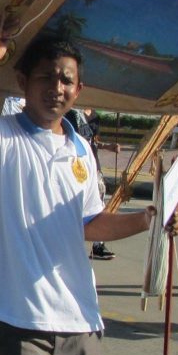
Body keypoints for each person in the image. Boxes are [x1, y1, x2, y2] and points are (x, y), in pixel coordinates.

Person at [0, 20, 178, 355]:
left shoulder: (82, 150)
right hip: (17, 321)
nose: (57, 89)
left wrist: (148, 220)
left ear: (79, 89)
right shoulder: (0, 137)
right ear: (23, 82)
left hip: (79, 320)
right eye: (46, 78)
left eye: (66, 81)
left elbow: (89, 224)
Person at [64, 107, 122, 261]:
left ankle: (98, 245)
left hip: (93, 164)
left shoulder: (95, 116)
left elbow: (94, 141)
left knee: (98, 203)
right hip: (76, 164)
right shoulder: (72, 114)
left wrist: (108, 146)